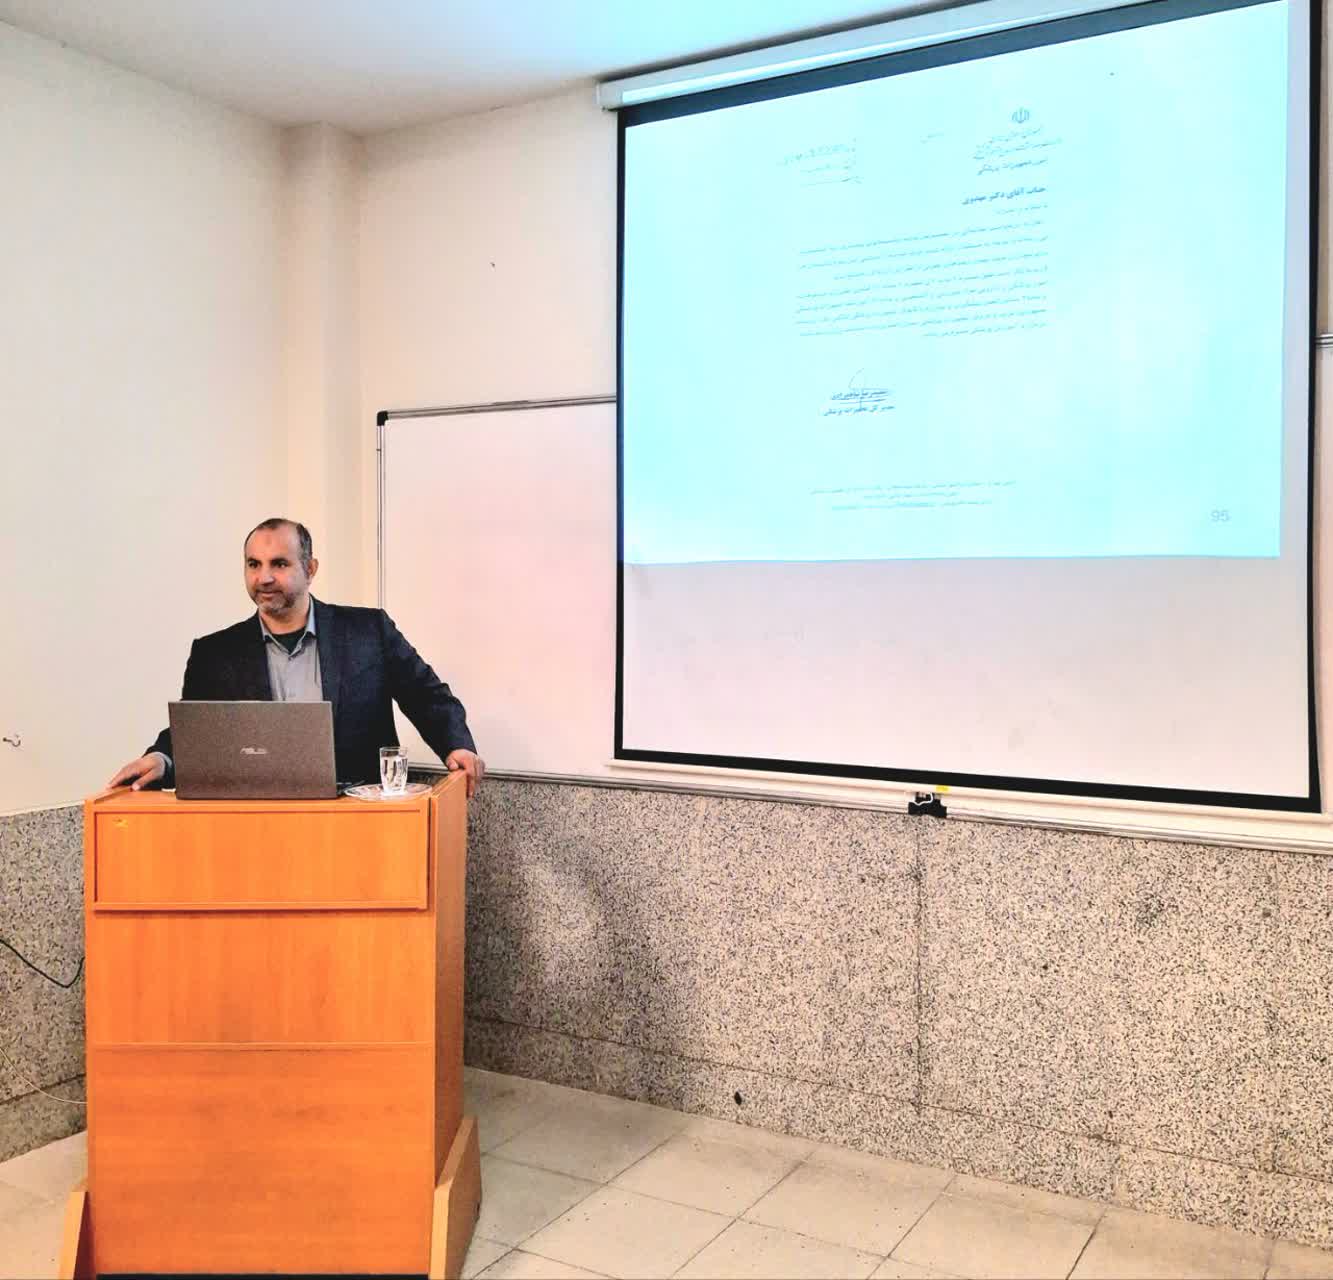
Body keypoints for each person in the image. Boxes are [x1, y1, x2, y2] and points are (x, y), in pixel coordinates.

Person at [109, 517, 483, 796]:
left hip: (359, 827)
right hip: (259, 829)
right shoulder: (215, 653)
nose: (264, 577)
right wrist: (162, 759)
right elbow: (197, 734)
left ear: (310, 569)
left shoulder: (368, 631)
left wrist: (457, 745)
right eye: (253, 564)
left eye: (279, 564)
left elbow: (426, 696)